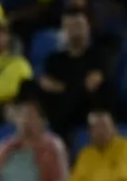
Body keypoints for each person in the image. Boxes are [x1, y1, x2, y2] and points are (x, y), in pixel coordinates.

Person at [39, 8, 115, 138]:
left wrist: (62, 87)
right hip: (59, 115)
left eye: (79, 26)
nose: (75, 32)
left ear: (88, 28)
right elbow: (47, 85)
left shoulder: (99, 55)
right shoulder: (54, 60)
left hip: (89, 112)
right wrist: (76, 85)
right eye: (70, 27)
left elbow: (91, 84)